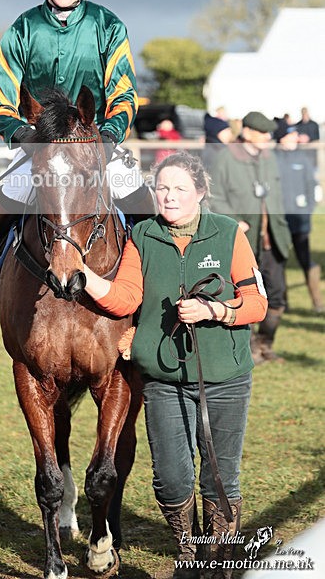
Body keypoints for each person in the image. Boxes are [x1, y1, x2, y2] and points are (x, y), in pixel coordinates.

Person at [82, 151, 267, 579]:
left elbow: (257, 302)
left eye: (180, 188)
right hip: (163, 379)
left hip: (225, 377)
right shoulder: (142, 235)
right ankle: (188, 553)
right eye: (162, 188)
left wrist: (215, 311)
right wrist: (86, 277)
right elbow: (126, 297)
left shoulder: (227, 234)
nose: (169, 196)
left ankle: (216, 560)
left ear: (200, 192)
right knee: (170, 477)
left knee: (220, 475)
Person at [0, 0, 152, 288]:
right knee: (12, 190)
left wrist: (108, 135)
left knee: (137, 194)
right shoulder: (21, 29)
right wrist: (23, 132)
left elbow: (124, 94)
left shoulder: (109, 26)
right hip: (41, 143)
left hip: (94, 141)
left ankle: (156, 262)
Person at [209, 111, 292, 363]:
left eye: (269, 133)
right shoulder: (225, 158)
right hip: (243, 238)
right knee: (246, 292)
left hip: (272, 237)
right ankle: (251, 346)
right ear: (247, 132)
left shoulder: (269, 158)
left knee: (276, 293)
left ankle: (266, 344)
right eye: (263, 132)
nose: (268, 137)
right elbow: (214, 195)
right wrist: (234, 221)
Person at [275, 120, 323, 311]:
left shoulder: (302, 158)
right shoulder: (273, 159)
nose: (295, 138)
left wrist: (308, 210)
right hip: (280, 220)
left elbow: (311, 186)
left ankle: (317, 302)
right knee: (279, 261)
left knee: (305, 259)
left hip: (300, 220)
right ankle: (282, 302)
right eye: (290, 135)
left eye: (295, 135)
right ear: (281, 139)